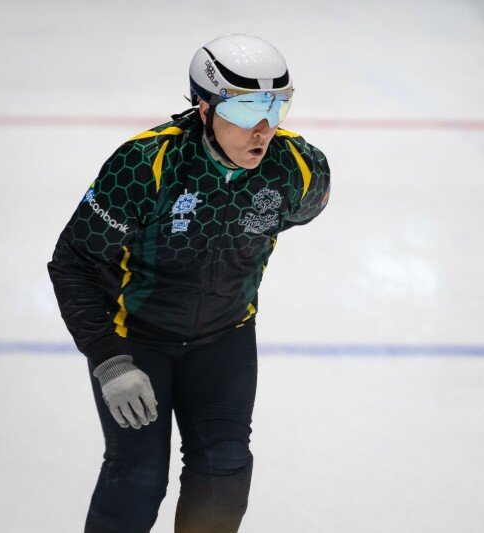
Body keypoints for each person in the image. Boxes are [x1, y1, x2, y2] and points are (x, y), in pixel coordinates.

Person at [48, 34, 330, 532]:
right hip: (138, 340)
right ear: (203, 108)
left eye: (276, 108)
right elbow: (73, 262)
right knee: (138, 476)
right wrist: (109, 359)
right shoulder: (143, 167)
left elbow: (293, 215)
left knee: (224, 469)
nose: (262, 130)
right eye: (245, 111)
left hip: (224, 338)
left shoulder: (299, 171)